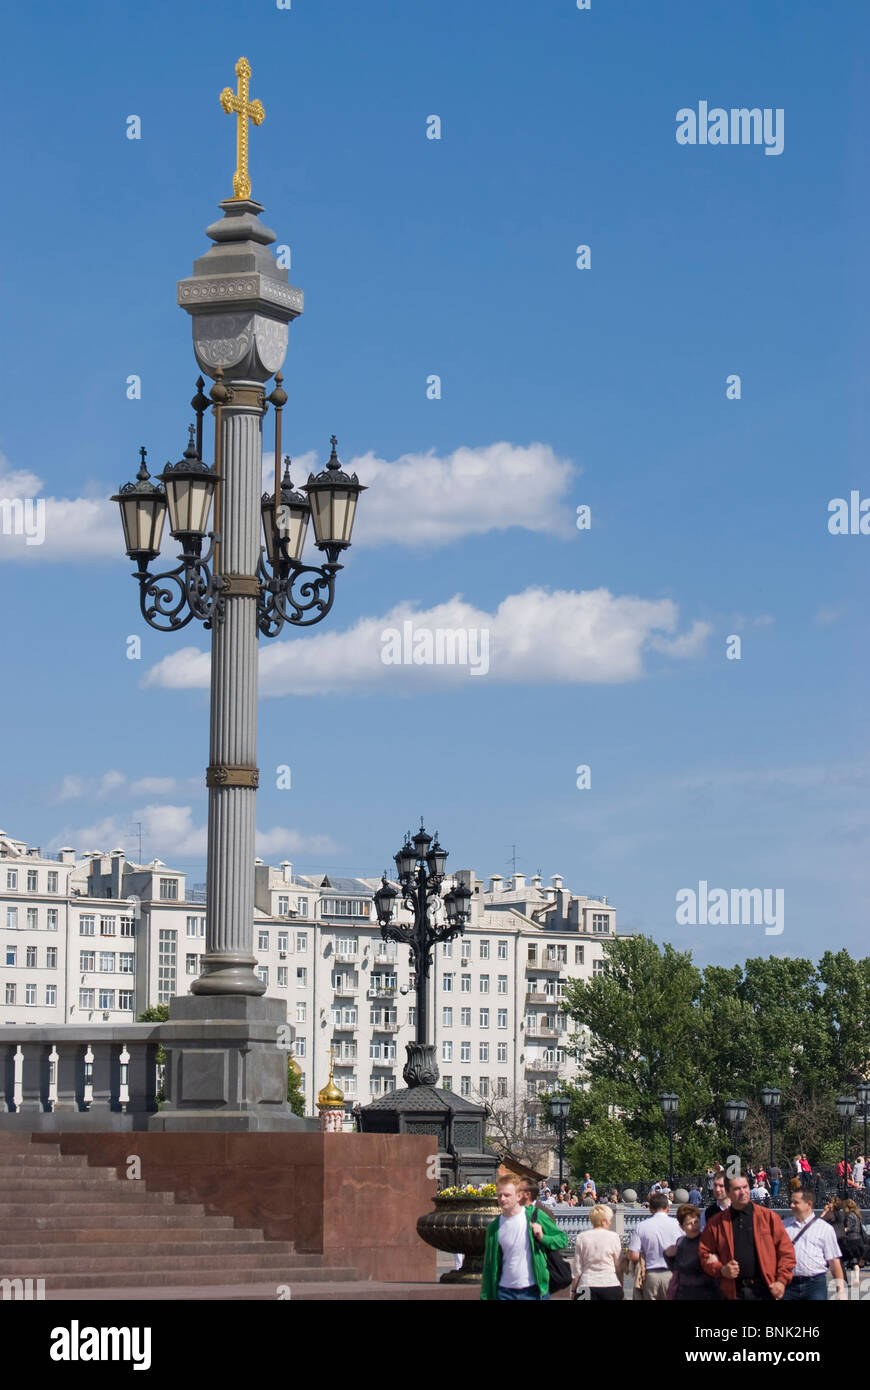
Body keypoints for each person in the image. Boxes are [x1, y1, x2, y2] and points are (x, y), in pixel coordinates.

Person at [699, 1173, 795, 1300]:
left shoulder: (768, 1218)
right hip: (732, 1291)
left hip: (764, 1290)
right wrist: (721, 1270)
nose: (743, 1192)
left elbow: (786, 1252)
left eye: (745, 1187)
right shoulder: (716, 1223)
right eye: (737, 1189)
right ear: (728, 1192)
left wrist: (781, 1281)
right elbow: (704, 1254)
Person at [481, 1176, 569, 1300]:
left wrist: (543, 1238)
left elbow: (562, 1239)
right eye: (499, 1195)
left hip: (533, 1290)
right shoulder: (494, 1228)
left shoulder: (535, 1216)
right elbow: (489, 1266)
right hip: (504, 1292)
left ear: (518, 1196)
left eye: (507, 1195)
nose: (502, 1199)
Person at [781, 1184, 844, 1301]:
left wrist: (840, 1291)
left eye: (796, 1202)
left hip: (814, 1284)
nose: (791, 1205)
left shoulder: (825, 1228)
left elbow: (834, 1261)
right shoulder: (783, 1226)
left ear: (808, 1204)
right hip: (788, 1284)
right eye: (791, 1202)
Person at [626, 1193, 682, 1300]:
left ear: (650, 1209)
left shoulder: (641, 1226)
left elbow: (633, 1255)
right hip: (672, 1275)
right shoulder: (678, 1225)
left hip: (651, 1275)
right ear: (668, 1208)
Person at [664, 1203, 722, 1301]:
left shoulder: (707, 1241)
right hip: (684, 1293)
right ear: (682, 1227)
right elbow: (675, 1269)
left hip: (706, 1292)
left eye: (696, 1222)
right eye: (689, 1223)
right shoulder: (680, 1242)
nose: (694, 1226)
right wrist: (667, 1256)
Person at [571, 1202, 624, 1301]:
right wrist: (621, 1284)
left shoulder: (582, 1237)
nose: (610, 1222)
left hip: (586, 1284)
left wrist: (574, 1290)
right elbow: (619, 1266)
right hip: (610, 1283)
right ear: (604, 1221)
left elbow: (577, 1269)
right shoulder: (613, 1237)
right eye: (609, 1220)